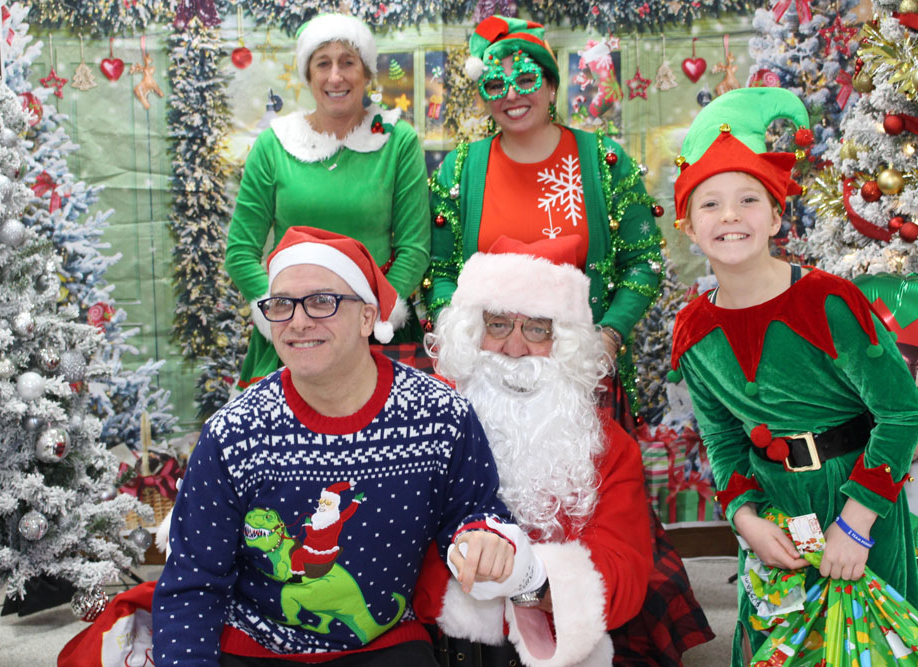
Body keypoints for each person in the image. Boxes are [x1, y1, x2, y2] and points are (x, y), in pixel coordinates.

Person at [153, 227, 543, 665]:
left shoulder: (440, 416)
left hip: (387, 646)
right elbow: (191, 585)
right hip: (253, 648)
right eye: (281, 304)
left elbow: (477, 511)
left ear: (367, 318)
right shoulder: (235, 432)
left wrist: (487, 537)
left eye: (322, 301)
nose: (298, 321)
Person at [667, 87, 918, 664]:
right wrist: (746, 520)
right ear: (688, 226)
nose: (730, 216)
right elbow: (722, 442)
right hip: (775, 515)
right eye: (710, 204)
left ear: (777, 214)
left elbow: (902, 411)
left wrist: (856, 524)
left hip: (859, 502)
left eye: (748, 199)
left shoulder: (829, 302)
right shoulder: (693, 332)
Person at [424, 235, 714, 666]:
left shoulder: (608, 445)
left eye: (537, 328)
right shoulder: (430, 422)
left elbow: (621, 571)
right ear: (471, 333)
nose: (515, 349)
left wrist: (528, 579)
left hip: (564, 641)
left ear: (566, 343)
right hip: (450, 643)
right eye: (498, 325)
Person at [425, 15, 663, 421]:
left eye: (526, 79)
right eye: (495, 84)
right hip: (486, 382)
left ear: (552, 86)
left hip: (581, 380)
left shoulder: (604, 163)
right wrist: (459, 335)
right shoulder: (459, 170)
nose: (511, 94)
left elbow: (644, 261)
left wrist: (608, 335)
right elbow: (441, 271)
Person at [226, 13, 430, 387]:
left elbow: (414, 250)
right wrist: (282, 314)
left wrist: (374, 317)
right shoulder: (274, 145)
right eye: (323, 63)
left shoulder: (397, 142)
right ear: (308, 75)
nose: (335, 77)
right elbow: (240, 252)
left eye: (347, 62)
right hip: (294, 334)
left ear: (367, 73)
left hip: (376, 332)